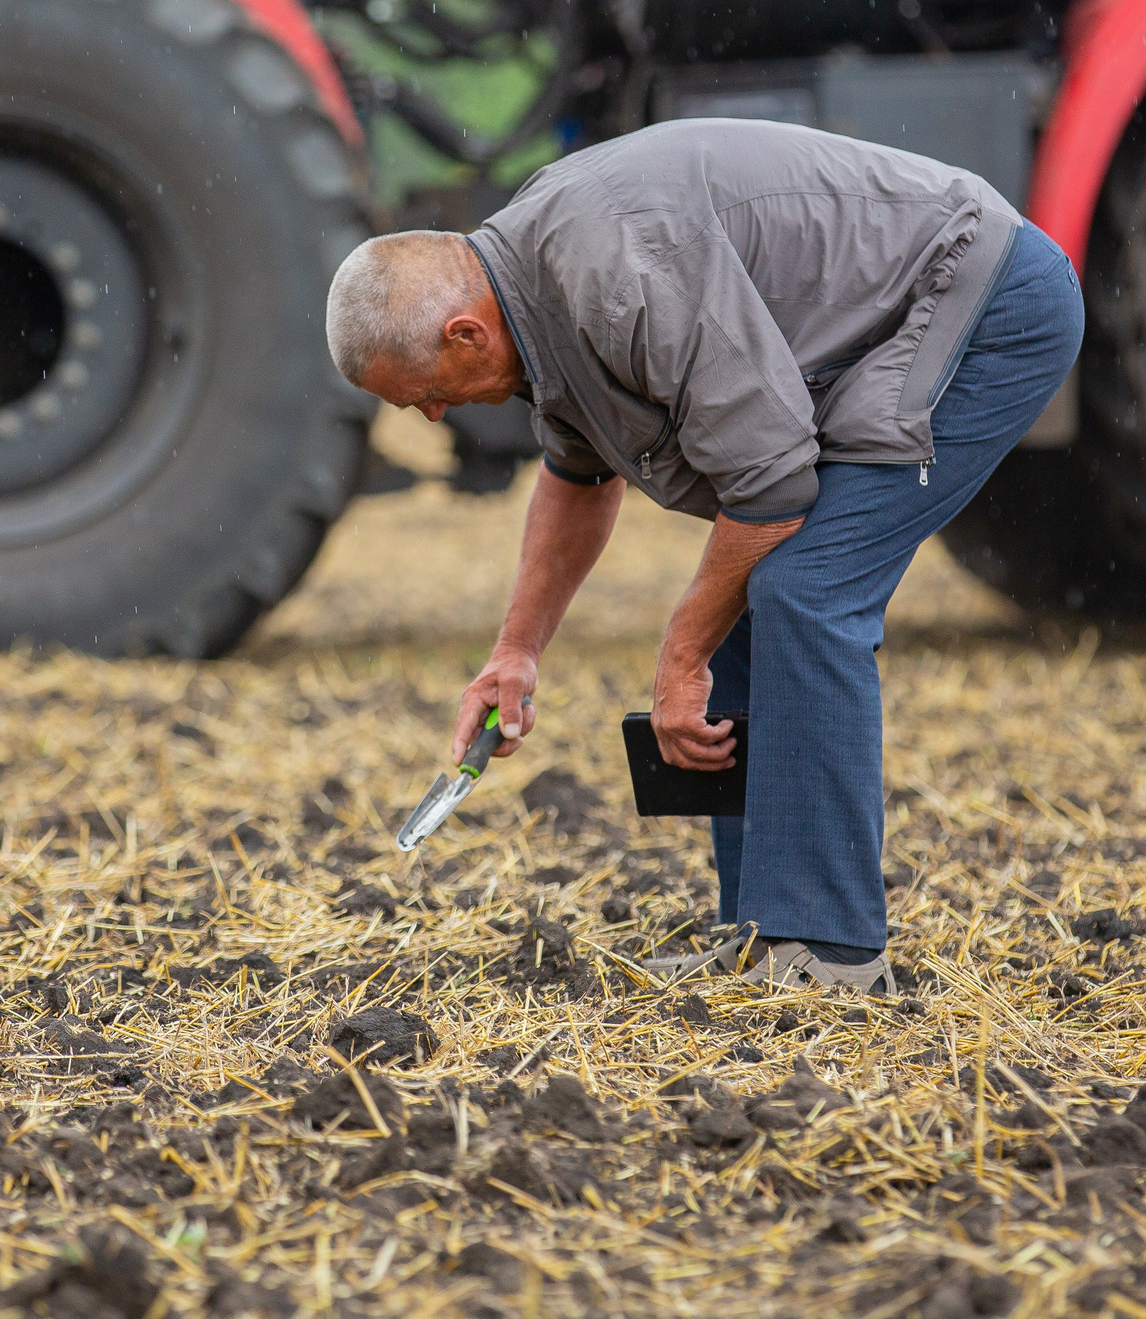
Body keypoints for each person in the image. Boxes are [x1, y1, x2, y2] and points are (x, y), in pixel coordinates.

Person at [325, 119, 1083, 994]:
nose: (431, 419)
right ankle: (766, 933)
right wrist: (517, 651)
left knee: (803, 590)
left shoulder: (616, 276)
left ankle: (837, 954)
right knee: (753, 590)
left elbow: (770, 488)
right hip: (885, 332)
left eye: (423, 396)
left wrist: (680, 656)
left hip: (982, 298)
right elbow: (578, 477)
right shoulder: (530, 283)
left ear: (464, 335)